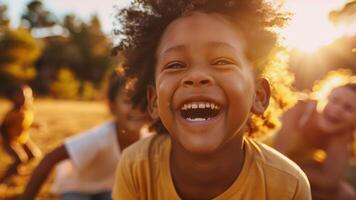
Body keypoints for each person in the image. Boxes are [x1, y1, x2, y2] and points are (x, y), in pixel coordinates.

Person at [112, 0, 311, 199]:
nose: (196, 76)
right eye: (175, 65)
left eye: (222, 61)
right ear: (154, 101)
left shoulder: (287, 187)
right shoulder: (136, 167)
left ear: (258, 95)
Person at [17, 69, 151, 200]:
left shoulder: (149, 140)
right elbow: (49, 159)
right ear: (112, 106)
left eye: (142, 101)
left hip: (108, 190)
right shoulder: (100, 137)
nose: (137, 108)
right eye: (127, 101)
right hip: (77, 189)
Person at [274, 83, 356, 200]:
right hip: (266, 155)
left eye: (348, 108)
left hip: (295, 166)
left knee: (347, 195)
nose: (337, 109)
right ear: (324, 97)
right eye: (334, 100)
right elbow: (278, 158)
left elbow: (330, 181)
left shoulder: (342, 133)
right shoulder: (299, 109)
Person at [0, 83, 41, 183]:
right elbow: (3, 127)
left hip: (22, 138)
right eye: (21, 95)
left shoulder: (27, 111)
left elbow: (26, 123)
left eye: (27, 95)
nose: (24, 98)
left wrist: (35, 125)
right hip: (10, 140)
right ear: (14, 97)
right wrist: (8, 141)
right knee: (20, 159)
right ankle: (3, 179)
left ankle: (17, 170)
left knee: (33, 155)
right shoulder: (13, 113)